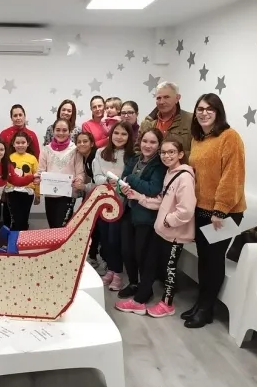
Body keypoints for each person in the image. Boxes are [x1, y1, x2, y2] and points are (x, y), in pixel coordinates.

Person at [182, 93, 246, 328]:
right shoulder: (198, 139)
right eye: (200, 109)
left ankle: (206, 309)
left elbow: (232, 175)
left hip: (224, 212)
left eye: (210, 109)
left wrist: (220, 210)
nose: (204, 113)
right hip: (202, 209)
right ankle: (200, 303)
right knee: (204, 259)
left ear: (218, 112)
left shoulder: (230, 137)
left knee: (214, 260)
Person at [122, 138, 196, 318]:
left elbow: (186, 210)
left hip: (174, 234)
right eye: (163, 152)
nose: (166, 156)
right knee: (150, 264)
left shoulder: (185, 177)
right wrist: (139, 197)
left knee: (169, 269)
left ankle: (167, 304)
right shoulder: (169, 173)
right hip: (161, 231)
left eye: (171, 152)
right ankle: (139, 300)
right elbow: (162, 201)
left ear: (180, 154)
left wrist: (168, 221)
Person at [79, 121, 135, 291]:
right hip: (103, 202)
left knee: (115, 239)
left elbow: (130, 181)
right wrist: (108, 181)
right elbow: (96, 177)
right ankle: (111, 269)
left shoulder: (132, 156)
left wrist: (118, 184)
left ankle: (117, 273)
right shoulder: (100, 152)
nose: (119, 137)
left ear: (129, 137)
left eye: (124, 134)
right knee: (105, 238)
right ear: (111, 135)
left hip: (122, 204)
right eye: (116, 133)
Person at [115, 128, 167, 301]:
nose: (148, 145)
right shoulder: (134, 159)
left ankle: (146, 288)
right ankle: (133, 283)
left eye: (153, 142)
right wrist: (122, 188)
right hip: (128, 211)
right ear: (140, 142)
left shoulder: (159, 165)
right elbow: (121, 183)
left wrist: (131, 180)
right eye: (145, 141)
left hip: (146, 216)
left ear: (159, 145)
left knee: (141, 253)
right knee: (126, 251)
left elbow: (153, 189)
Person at [37, 119, 85, 228]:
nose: (61, 133)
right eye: (58, 130)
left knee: (62, 227)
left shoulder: (75, 150)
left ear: (69, 131)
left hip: (68, 195)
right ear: (53, 131)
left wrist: (79, 180)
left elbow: (80, 172)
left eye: (64, 130)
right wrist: (38, 178)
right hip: (50, 195)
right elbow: (41, 171)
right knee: (53, 227)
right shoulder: (46, 150)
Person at [139, 81, 193, 155]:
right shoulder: (147, 123)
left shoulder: (191, 120)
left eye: (166, 97)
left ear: (177, 98)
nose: (162, 102)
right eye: (158, 98)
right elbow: (138, 149)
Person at [74, 131, 100, 268]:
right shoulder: (83, 157)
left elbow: (99, 182)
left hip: (98, 195)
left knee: (94, 227)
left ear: (92, 143)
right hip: (91, 193)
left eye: (85, 141)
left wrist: (84, 187)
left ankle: (95, 256)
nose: (82, 144)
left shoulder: (95, 157)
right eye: (79, 142)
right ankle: (91, 254)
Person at [5, 131, 40, 230]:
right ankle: (15, 235)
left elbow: (37, 177)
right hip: (12, 191)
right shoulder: (9, 158)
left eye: (23, 142)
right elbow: (5, 176)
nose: (20, 145)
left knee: (24, 217)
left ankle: (23, 235)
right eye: (18, 143)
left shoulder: (32, 158)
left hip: (27, 192)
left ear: (28, 143)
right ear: (13, 144)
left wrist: (37, 194)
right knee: (15, 218)